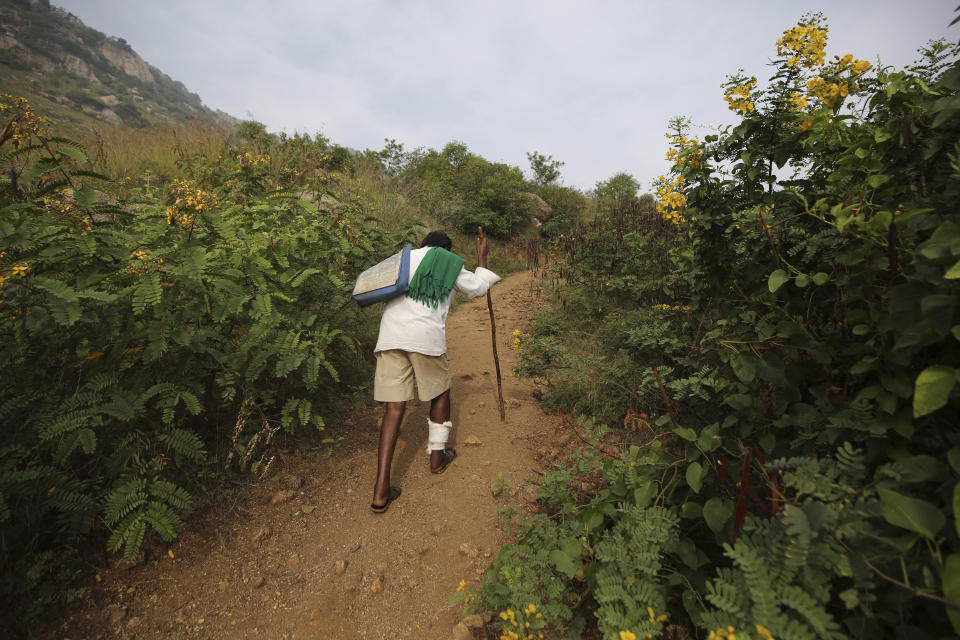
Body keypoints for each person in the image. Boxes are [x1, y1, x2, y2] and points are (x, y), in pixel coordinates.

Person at [370, 230, 500, 513]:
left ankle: (380, 490)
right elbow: (477, 288)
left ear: (423, 246)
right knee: (440, 392)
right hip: (424, 339)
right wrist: (481, 257)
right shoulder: (448, 261)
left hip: (390, 336)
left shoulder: (404, 259)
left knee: (394, 408)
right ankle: (437, 458)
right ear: (445, 249)